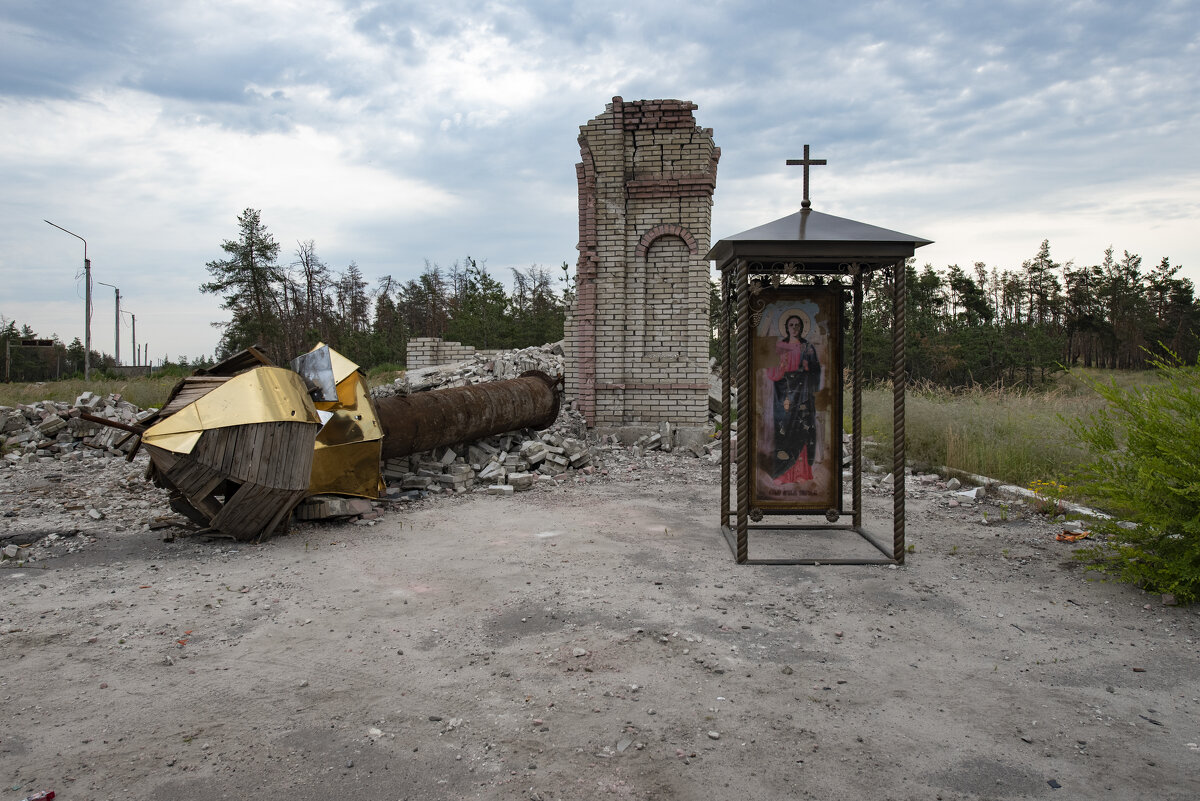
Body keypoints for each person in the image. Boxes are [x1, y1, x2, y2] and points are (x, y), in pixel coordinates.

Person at [765, 314, 820, 484]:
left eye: (797, 325)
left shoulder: (808, 348)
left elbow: (815, 373)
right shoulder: (780, 347)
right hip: (784, 396)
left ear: (802, 327)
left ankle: (800, 473)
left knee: (801, 430)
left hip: (803, 395)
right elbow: (771, 371)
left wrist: (806, 373)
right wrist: (781, 368)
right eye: (791, 325)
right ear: (787, 327)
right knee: (784, 432)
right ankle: (783, 474)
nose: (794, 328)